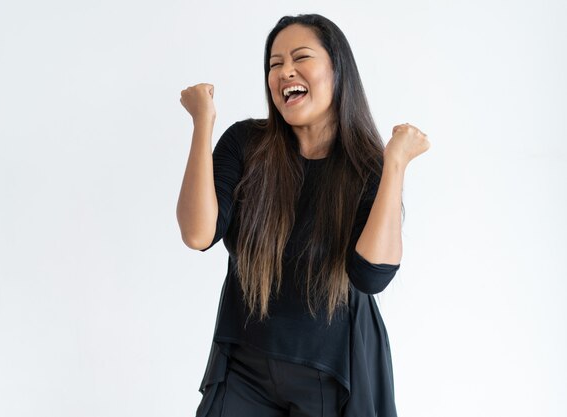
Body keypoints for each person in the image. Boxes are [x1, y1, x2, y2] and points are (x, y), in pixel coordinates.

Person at [177, 13, 430, 417]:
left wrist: (395, 163)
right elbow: (197, 233)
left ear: (337, 69)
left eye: (300, 58)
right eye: (274, 64)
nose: (284, 71)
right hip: (245, 367)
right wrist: (203, 123)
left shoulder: (366, 167)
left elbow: (370, 275)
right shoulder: (246, 144)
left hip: (330, 373)